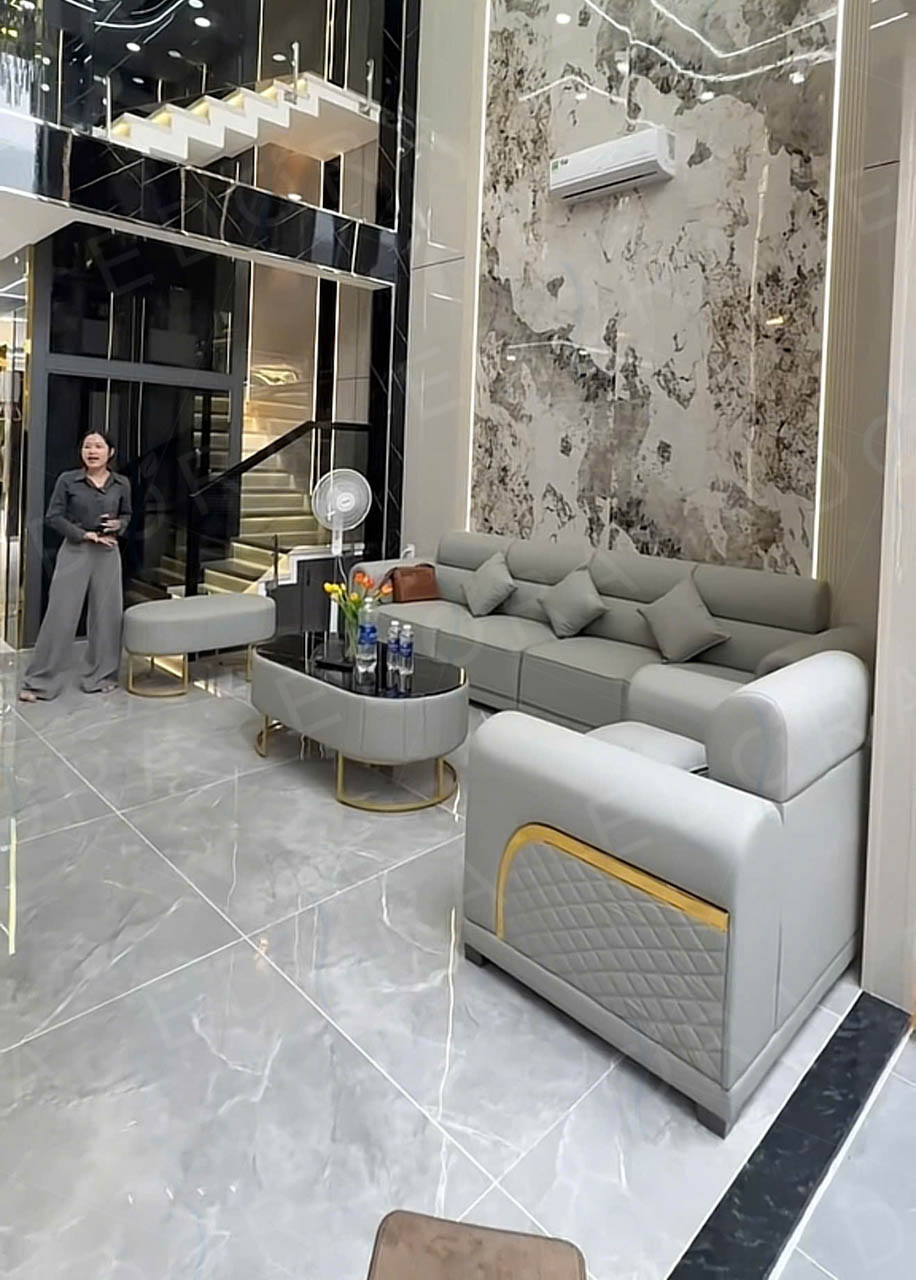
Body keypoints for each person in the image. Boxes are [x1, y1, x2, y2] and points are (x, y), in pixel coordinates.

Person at [20, 431, 132, 701]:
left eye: (98, 446)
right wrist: (84, 535)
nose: (92, 451)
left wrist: (119, 525)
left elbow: (127, 513)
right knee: (60, 614)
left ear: (110, 453)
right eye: (87, 446)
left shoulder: (121, 483)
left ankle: (102, 676)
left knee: (107, 616)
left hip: (108, 552)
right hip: (76, 550)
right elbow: (53, 516)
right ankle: (39, 682)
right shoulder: (68, 480)